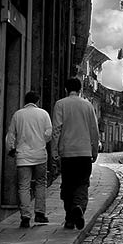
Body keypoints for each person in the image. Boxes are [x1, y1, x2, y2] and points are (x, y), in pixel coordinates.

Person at [52, 77, 100, 230]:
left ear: (66, 89)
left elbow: (56, 130)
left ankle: (69, 219)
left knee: (67, 185)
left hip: (67, 153)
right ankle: (78, 206)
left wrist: (54, 152)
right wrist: (94, 151)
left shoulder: (60, 104)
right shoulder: (88, 106)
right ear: (80, 90)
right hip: (84, 153)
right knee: (82, 184)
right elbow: (94, 130)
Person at [5, 90, 52, 228]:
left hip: (23, 156)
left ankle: (25, 216)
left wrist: (11, 149)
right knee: (40, 183)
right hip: (40, 155)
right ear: (37, 101)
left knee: (23, 186)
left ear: (25, 101)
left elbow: (11, 134)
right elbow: (49, 133)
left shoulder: (18, 115)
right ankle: (40, 213)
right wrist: (42, 142)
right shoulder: (44, 114)